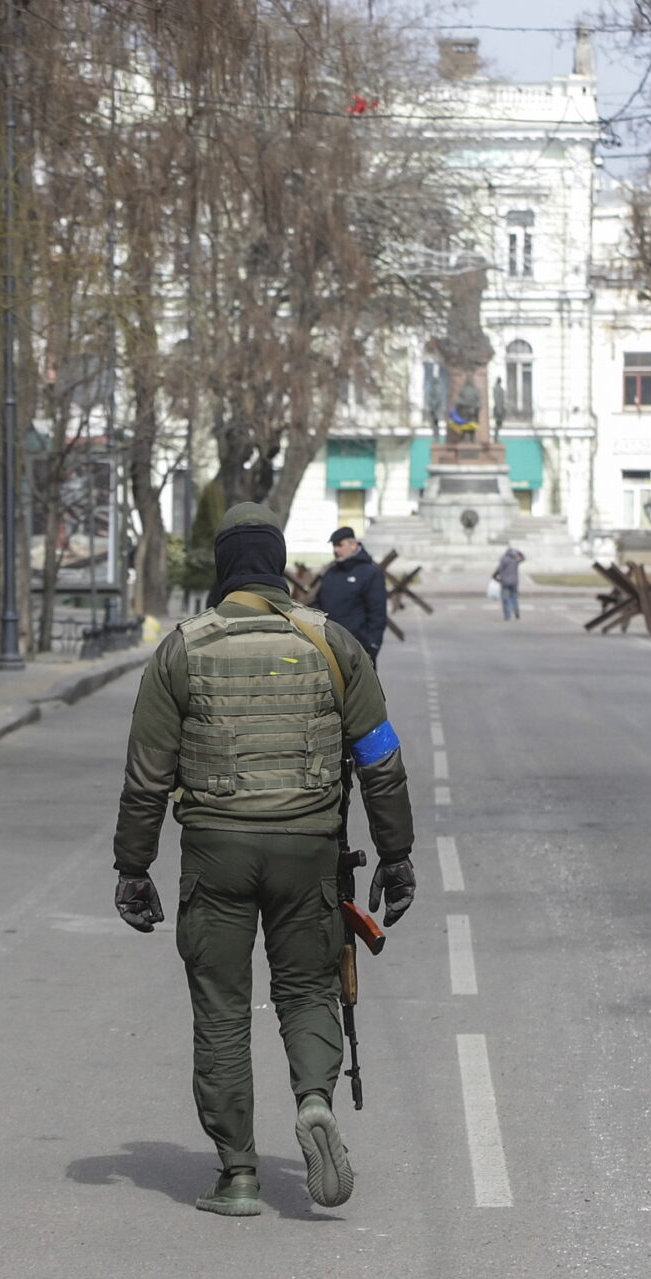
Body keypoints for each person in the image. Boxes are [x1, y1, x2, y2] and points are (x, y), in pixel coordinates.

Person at [113, 503, 416, 1216]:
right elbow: (381, 759)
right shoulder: (331, 642)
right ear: (280, 565)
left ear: (223, 568)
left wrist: (132, 866)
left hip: (215, 850)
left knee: (220, 1007)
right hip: (308, 848)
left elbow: (147, 773)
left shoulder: (182, 649)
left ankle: (238, 1173)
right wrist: (396, 856)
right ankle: (313, 1098)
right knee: (309, 989)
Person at [315, 526, 388, 663]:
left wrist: (372, 646)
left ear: (353, 545)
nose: (336, 550)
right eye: (334, 546)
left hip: (359, 650)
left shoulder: (371, 573)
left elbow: (377, 614)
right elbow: (319, 604)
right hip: (329, 648)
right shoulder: (331, 573)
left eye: (339, 545)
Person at [492, 546, 526, 620]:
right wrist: (519, 552)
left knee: (505, 599)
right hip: (514, 582)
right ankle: (516, 609)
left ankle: (507, 615)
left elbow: (499, 569)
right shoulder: (515, 559)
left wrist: (496, 576)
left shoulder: (503, 559)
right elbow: (523, 558)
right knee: (514, 597)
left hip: (505, 582)